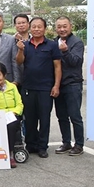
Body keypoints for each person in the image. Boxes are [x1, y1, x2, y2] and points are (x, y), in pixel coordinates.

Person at [17, 17, 62, 158]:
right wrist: (20, 50)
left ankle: (42, 147)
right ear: (30, 28)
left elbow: (57, 66)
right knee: (29, 119)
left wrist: (56, 85)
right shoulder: (25, 45)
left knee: (44, 118)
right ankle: (31, 145)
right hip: (28, 87)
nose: (36, 29)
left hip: (45, 88)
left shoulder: (52, 45)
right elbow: (19, 62)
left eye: (39, 27)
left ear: (45, 29)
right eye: (34, 27)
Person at [53, 16, 85, 156]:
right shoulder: (54, 42)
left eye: (64, 26)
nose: (62, 29)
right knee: (61, 116)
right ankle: (66, 142)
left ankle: (79, 144)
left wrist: (65, 51)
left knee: (75, 116)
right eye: (59, 26)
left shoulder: (77, 42)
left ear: (70, 26)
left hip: (72, 84)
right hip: (58, 85)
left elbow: (76, 62)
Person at [0, 62, 24, 168]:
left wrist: (15, 112)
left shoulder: (12, 87)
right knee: (3, 125)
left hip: (13, 113)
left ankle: (10, 154)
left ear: (4, 75)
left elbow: (19, 104)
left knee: (11, 125)